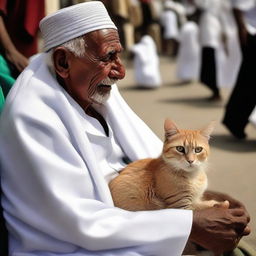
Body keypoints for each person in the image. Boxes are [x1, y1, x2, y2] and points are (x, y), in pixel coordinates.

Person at [0, 2, 251, 255]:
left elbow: (154, 165)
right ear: (63, 61)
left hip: (136, 218)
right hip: (74, 245)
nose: (120, 71)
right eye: (109, 57)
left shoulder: (95, 87)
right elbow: (78, 222)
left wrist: (202, 198)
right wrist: (189, 224)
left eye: (119, 55)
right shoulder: (34, 117)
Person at [222, 0, 256, 139]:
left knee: (248, 80)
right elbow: (238, 7)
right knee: (249, 81)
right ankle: (234, 120)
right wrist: (241, 29)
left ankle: (234, 120)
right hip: (251, 33)